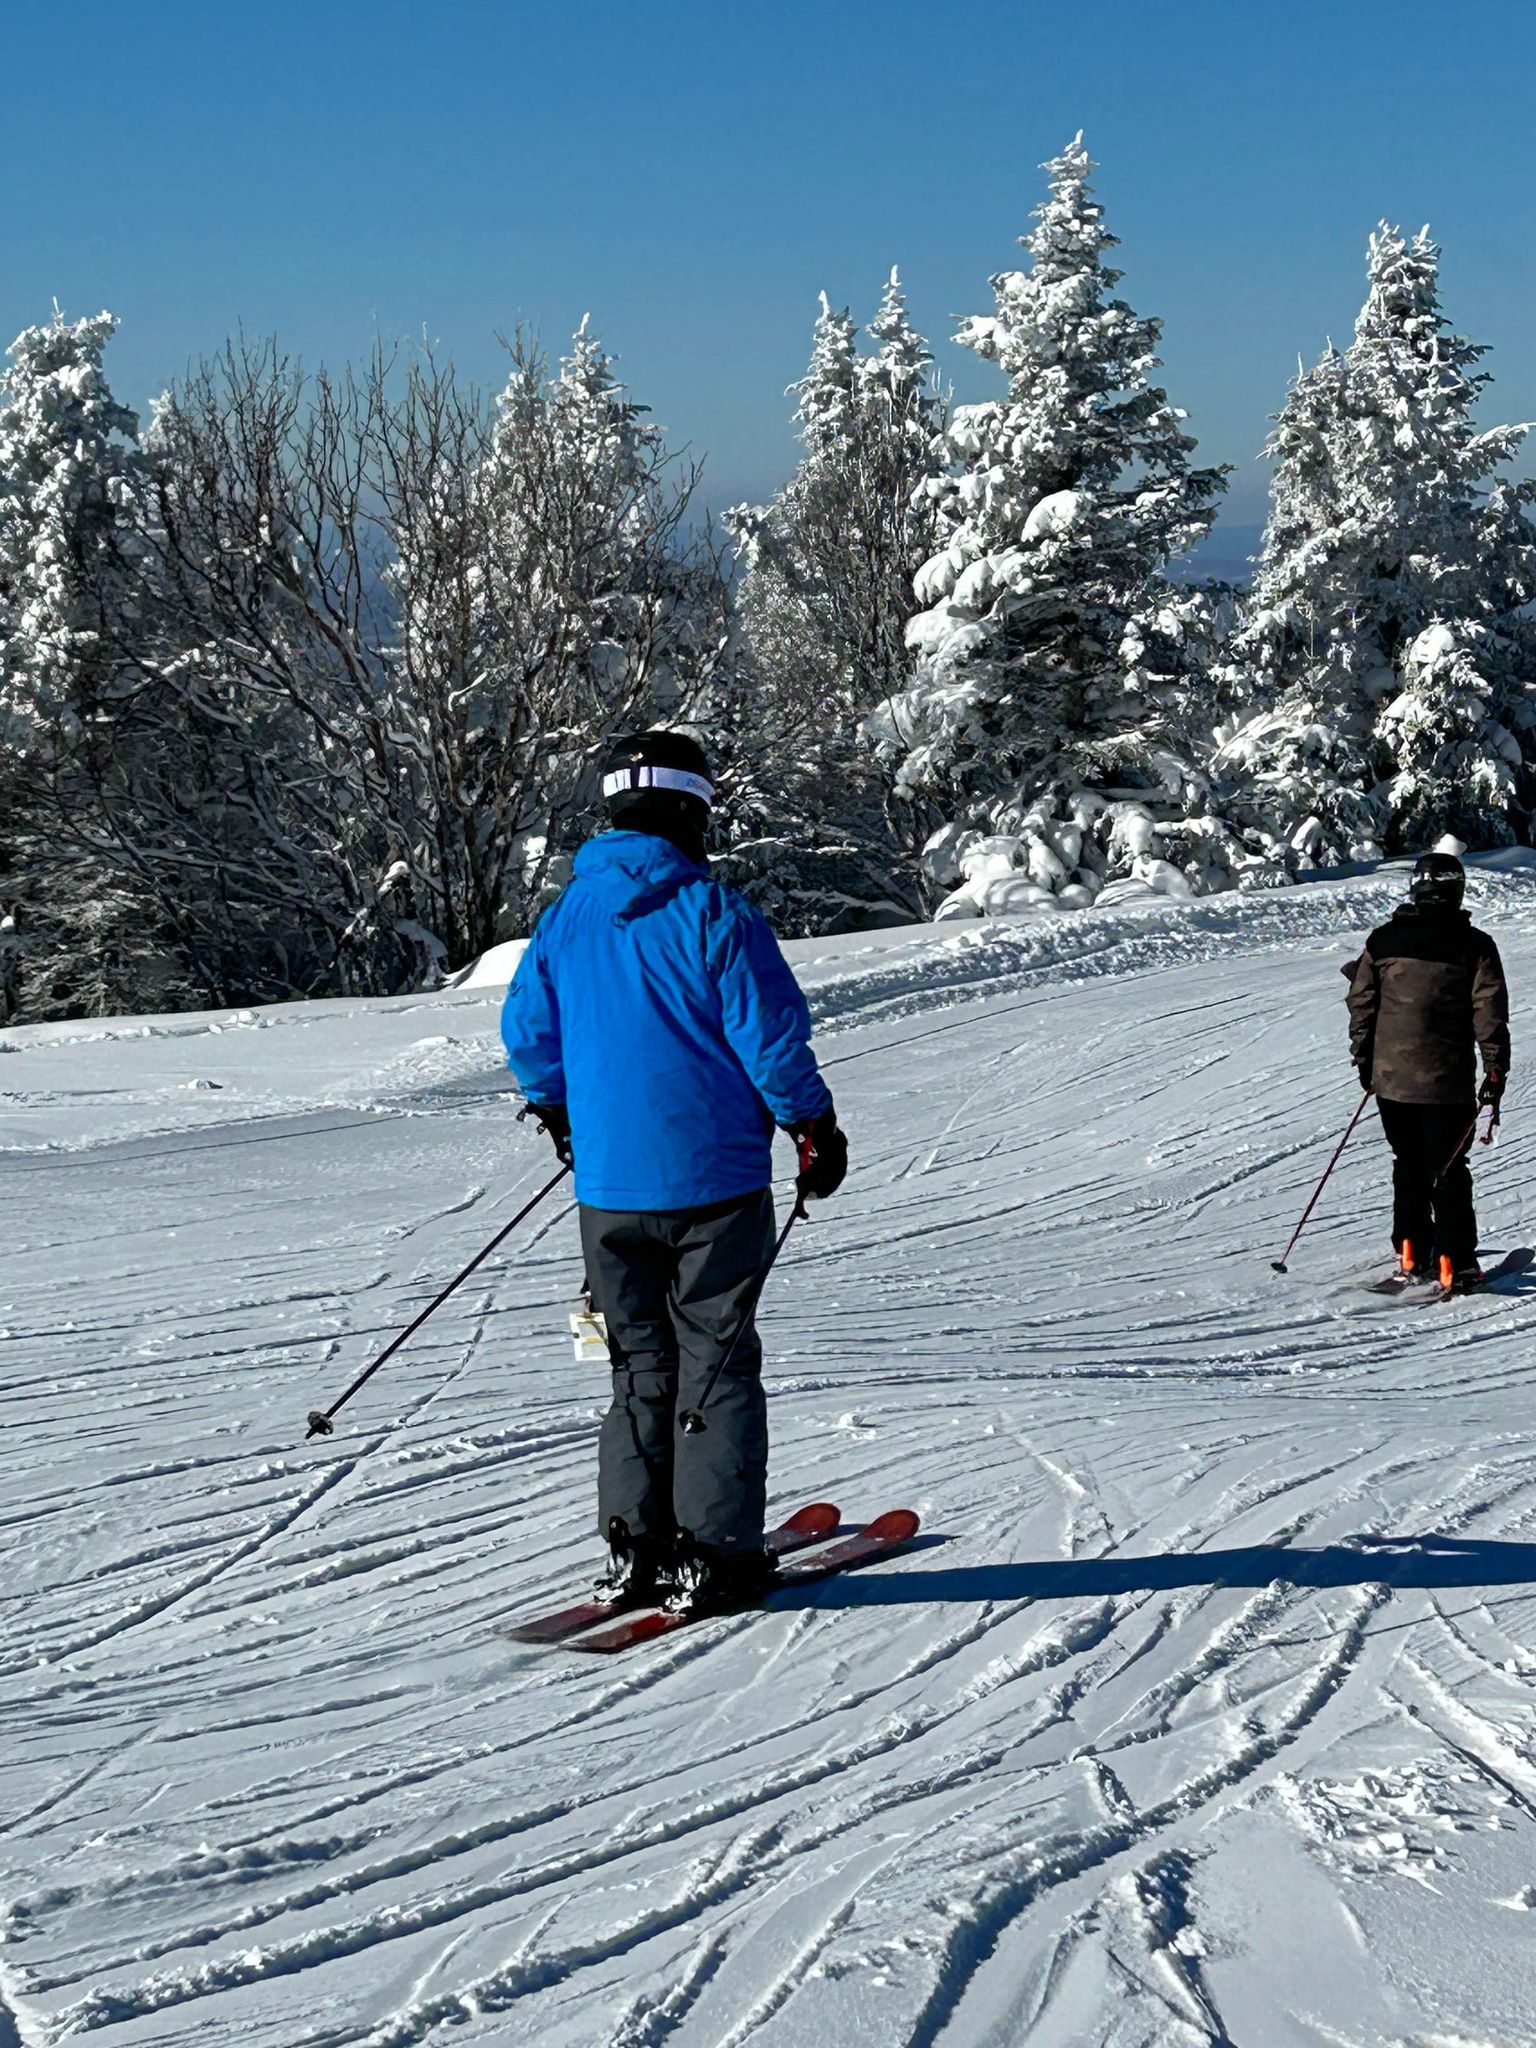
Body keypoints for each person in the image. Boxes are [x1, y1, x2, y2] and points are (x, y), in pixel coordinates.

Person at [500, 729, 848, 1615]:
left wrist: (559, 1110)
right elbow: (769, 1042)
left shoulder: (565, 918)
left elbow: (529, 1034)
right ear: (692, 810)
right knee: (716, 1362)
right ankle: (717, 1550)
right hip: (714, 1186)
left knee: (638, 1364)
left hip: (608, 1192)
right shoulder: (714, 913)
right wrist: (812, 1128)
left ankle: (637, 1545)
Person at [1346, 850, 1509, 1293]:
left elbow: (1361, 1004)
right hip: (1446, 1081)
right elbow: (1489, 1014)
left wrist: (1366, 1061)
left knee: (1410, 1163)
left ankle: (1411, 1249)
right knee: (1449, 1168)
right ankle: (1456, 1262)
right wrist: (1495, 1074)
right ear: (1455, 891)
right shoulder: (1475, 945)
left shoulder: (1383, 940)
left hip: (1390, 1080)